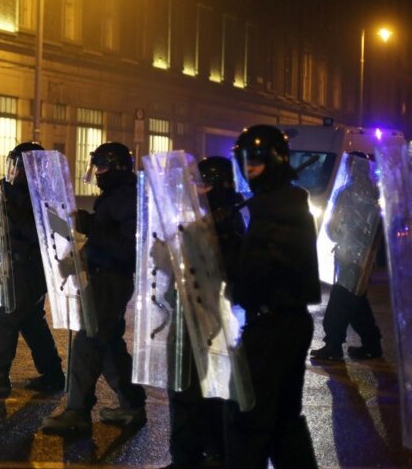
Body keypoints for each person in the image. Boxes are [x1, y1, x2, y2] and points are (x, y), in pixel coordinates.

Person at [225, 124, 319, 468]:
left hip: (273, 325)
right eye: (244, 162)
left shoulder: (279, 209)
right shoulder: (277, 205)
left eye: (256, 162)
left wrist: (226, 256)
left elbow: (258, 273)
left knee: (249, 418)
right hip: (281, 323)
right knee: (282, 423)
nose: (249, 170)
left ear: (275, 162)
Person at [41, 141, 147, 435]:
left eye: (102, 167)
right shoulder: (115, 196)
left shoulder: (127, 198)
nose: (97, 173)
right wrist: (79, 258)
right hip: (104, 277)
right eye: (95, 166)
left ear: (117, 167)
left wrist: (91, 227)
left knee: (88, 342)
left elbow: (129, 248)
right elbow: (105, 239)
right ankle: (131, 405)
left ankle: (77, 411)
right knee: (110, 344)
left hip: (112, 280)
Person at [161, 156, 245, 469]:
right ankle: (187, 455)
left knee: (210, 391)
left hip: (213, 322)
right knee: (183, 389)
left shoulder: (232, 223)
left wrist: (216, 237)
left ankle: (213, 452)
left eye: (206, 184)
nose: (199, 191)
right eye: (197, 184)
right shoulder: (196, 219)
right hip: (186, 317)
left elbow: (233, 275)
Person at [0, 142, 65, 395]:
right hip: (23, 266)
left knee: (5, 314)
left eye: (16, 165)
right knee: (31, 321)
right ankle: (53, 374)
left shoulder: (41, 194)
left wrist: (11, 204)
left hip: (29, 268)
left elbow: (35, 233)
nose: (12, 171)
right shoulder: (26, 192)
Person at [310, 151, 383, 362]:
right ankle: (372, 345)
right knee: (356, 301)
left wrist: (336, 235)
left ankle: (333, 345)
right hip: (365, 258)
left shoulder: (347, 193)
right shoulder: (375, 192)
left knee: (340, 302)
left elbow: (334, 227)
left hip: (349, 255)